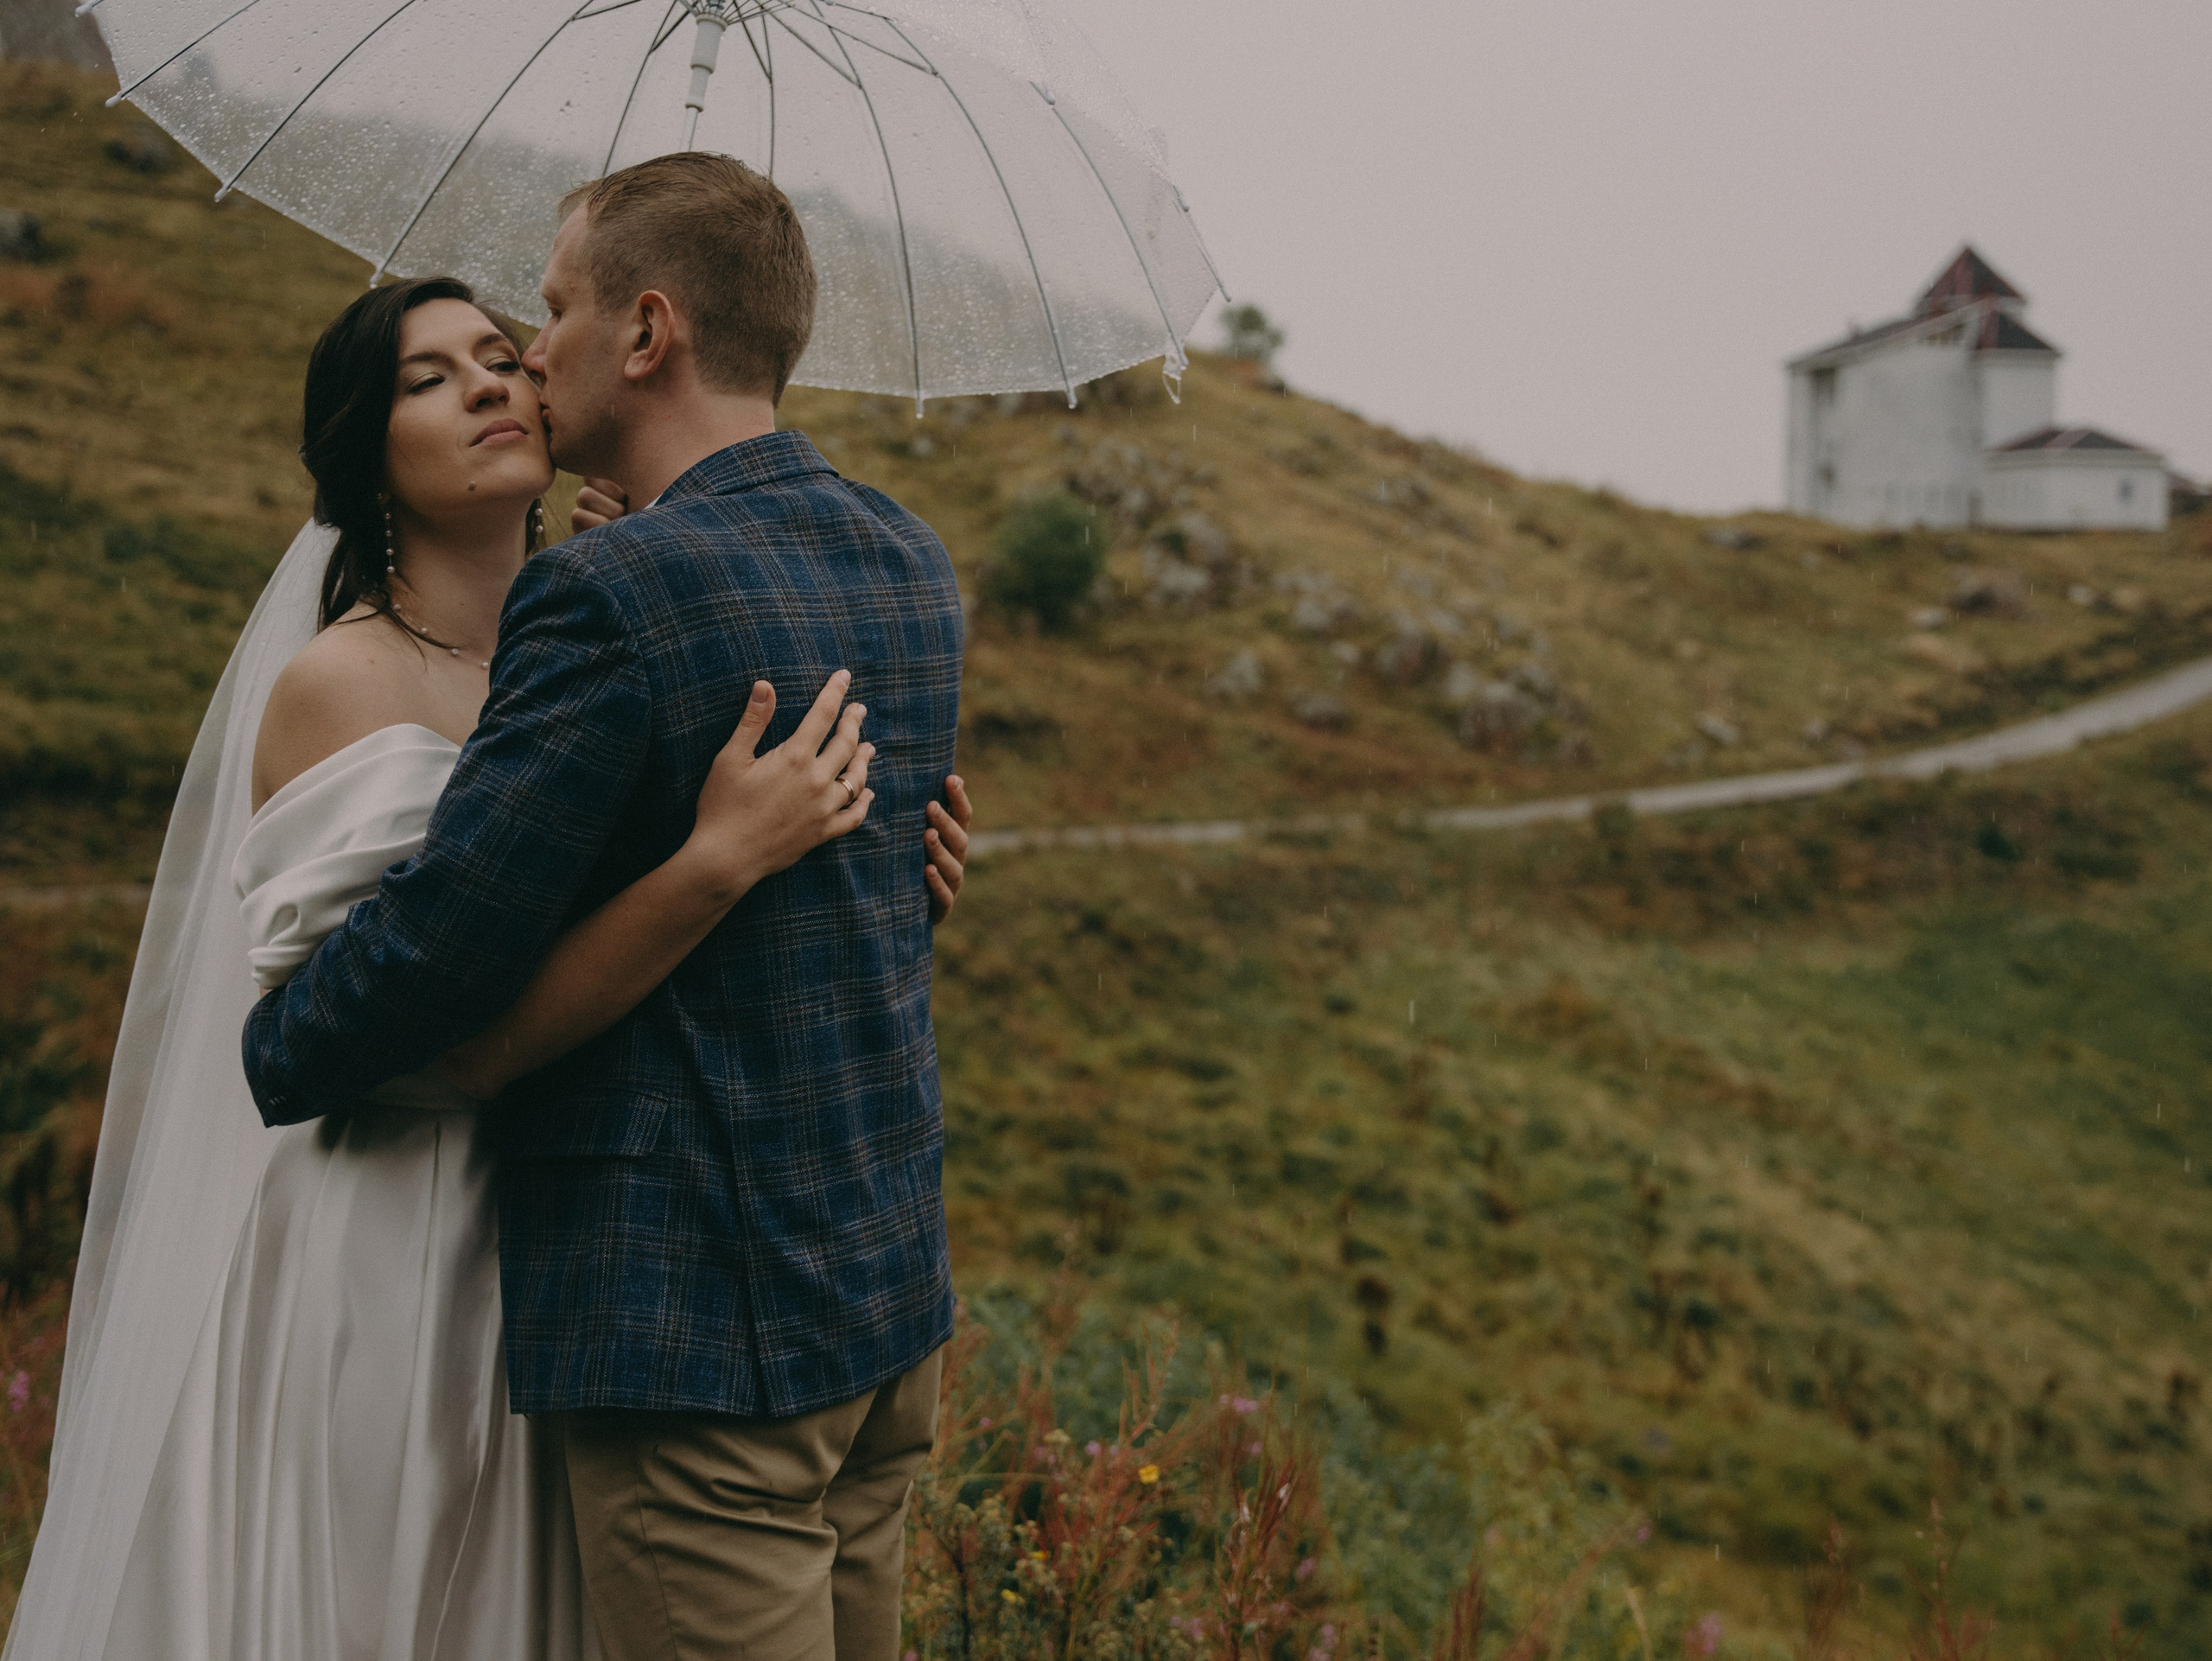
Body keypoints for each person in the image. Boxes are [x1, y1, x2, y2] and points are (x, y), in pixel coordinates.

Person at [233, 154, 967, 1661]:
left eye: (548, 315)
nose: (529, 355)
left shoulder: (609, 595)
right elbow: (820, 940)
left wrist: (289, 1038)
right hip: (881, 1304)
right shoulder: (905, 555)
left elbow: (388, 987)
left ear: (646, 334)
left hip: (699, 1333)